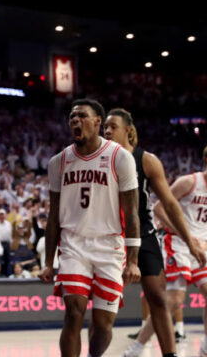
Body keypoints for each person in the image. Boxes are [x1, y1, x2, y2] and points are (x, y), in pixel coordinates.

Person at [39, 99, 141, 357]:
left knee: (104, 324)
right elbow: (53, 216)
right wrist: (49, 262)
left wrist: (133, 260)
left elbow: (131, 212)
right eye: (72, 117)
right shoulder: (58, 162)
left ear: (98, 122)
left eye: (82, 116)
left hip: (110, 247)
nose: (75, 120)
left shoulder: (120, 157)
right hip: (74, 245)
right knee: (73, 312)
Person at [104, 108, 207, 357]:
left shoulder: (146, 160)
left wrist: (189, 241)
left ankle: (169, 354)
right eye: (104, 127)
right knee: (103, 308)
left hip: (143, 234)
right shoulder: (99, 159)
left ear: (128, 131)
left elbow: (170, 204)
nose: (106, 131)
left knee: (158, 299)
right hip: (109, 235)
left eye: (112, 126)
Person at [126, 141, 207, 357]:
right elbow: (158, 208)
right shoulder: (189, 182)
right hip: (177, 243)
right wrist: (184, 234)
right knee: (173, 301)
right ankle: (137, 348)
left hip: (203, 247)